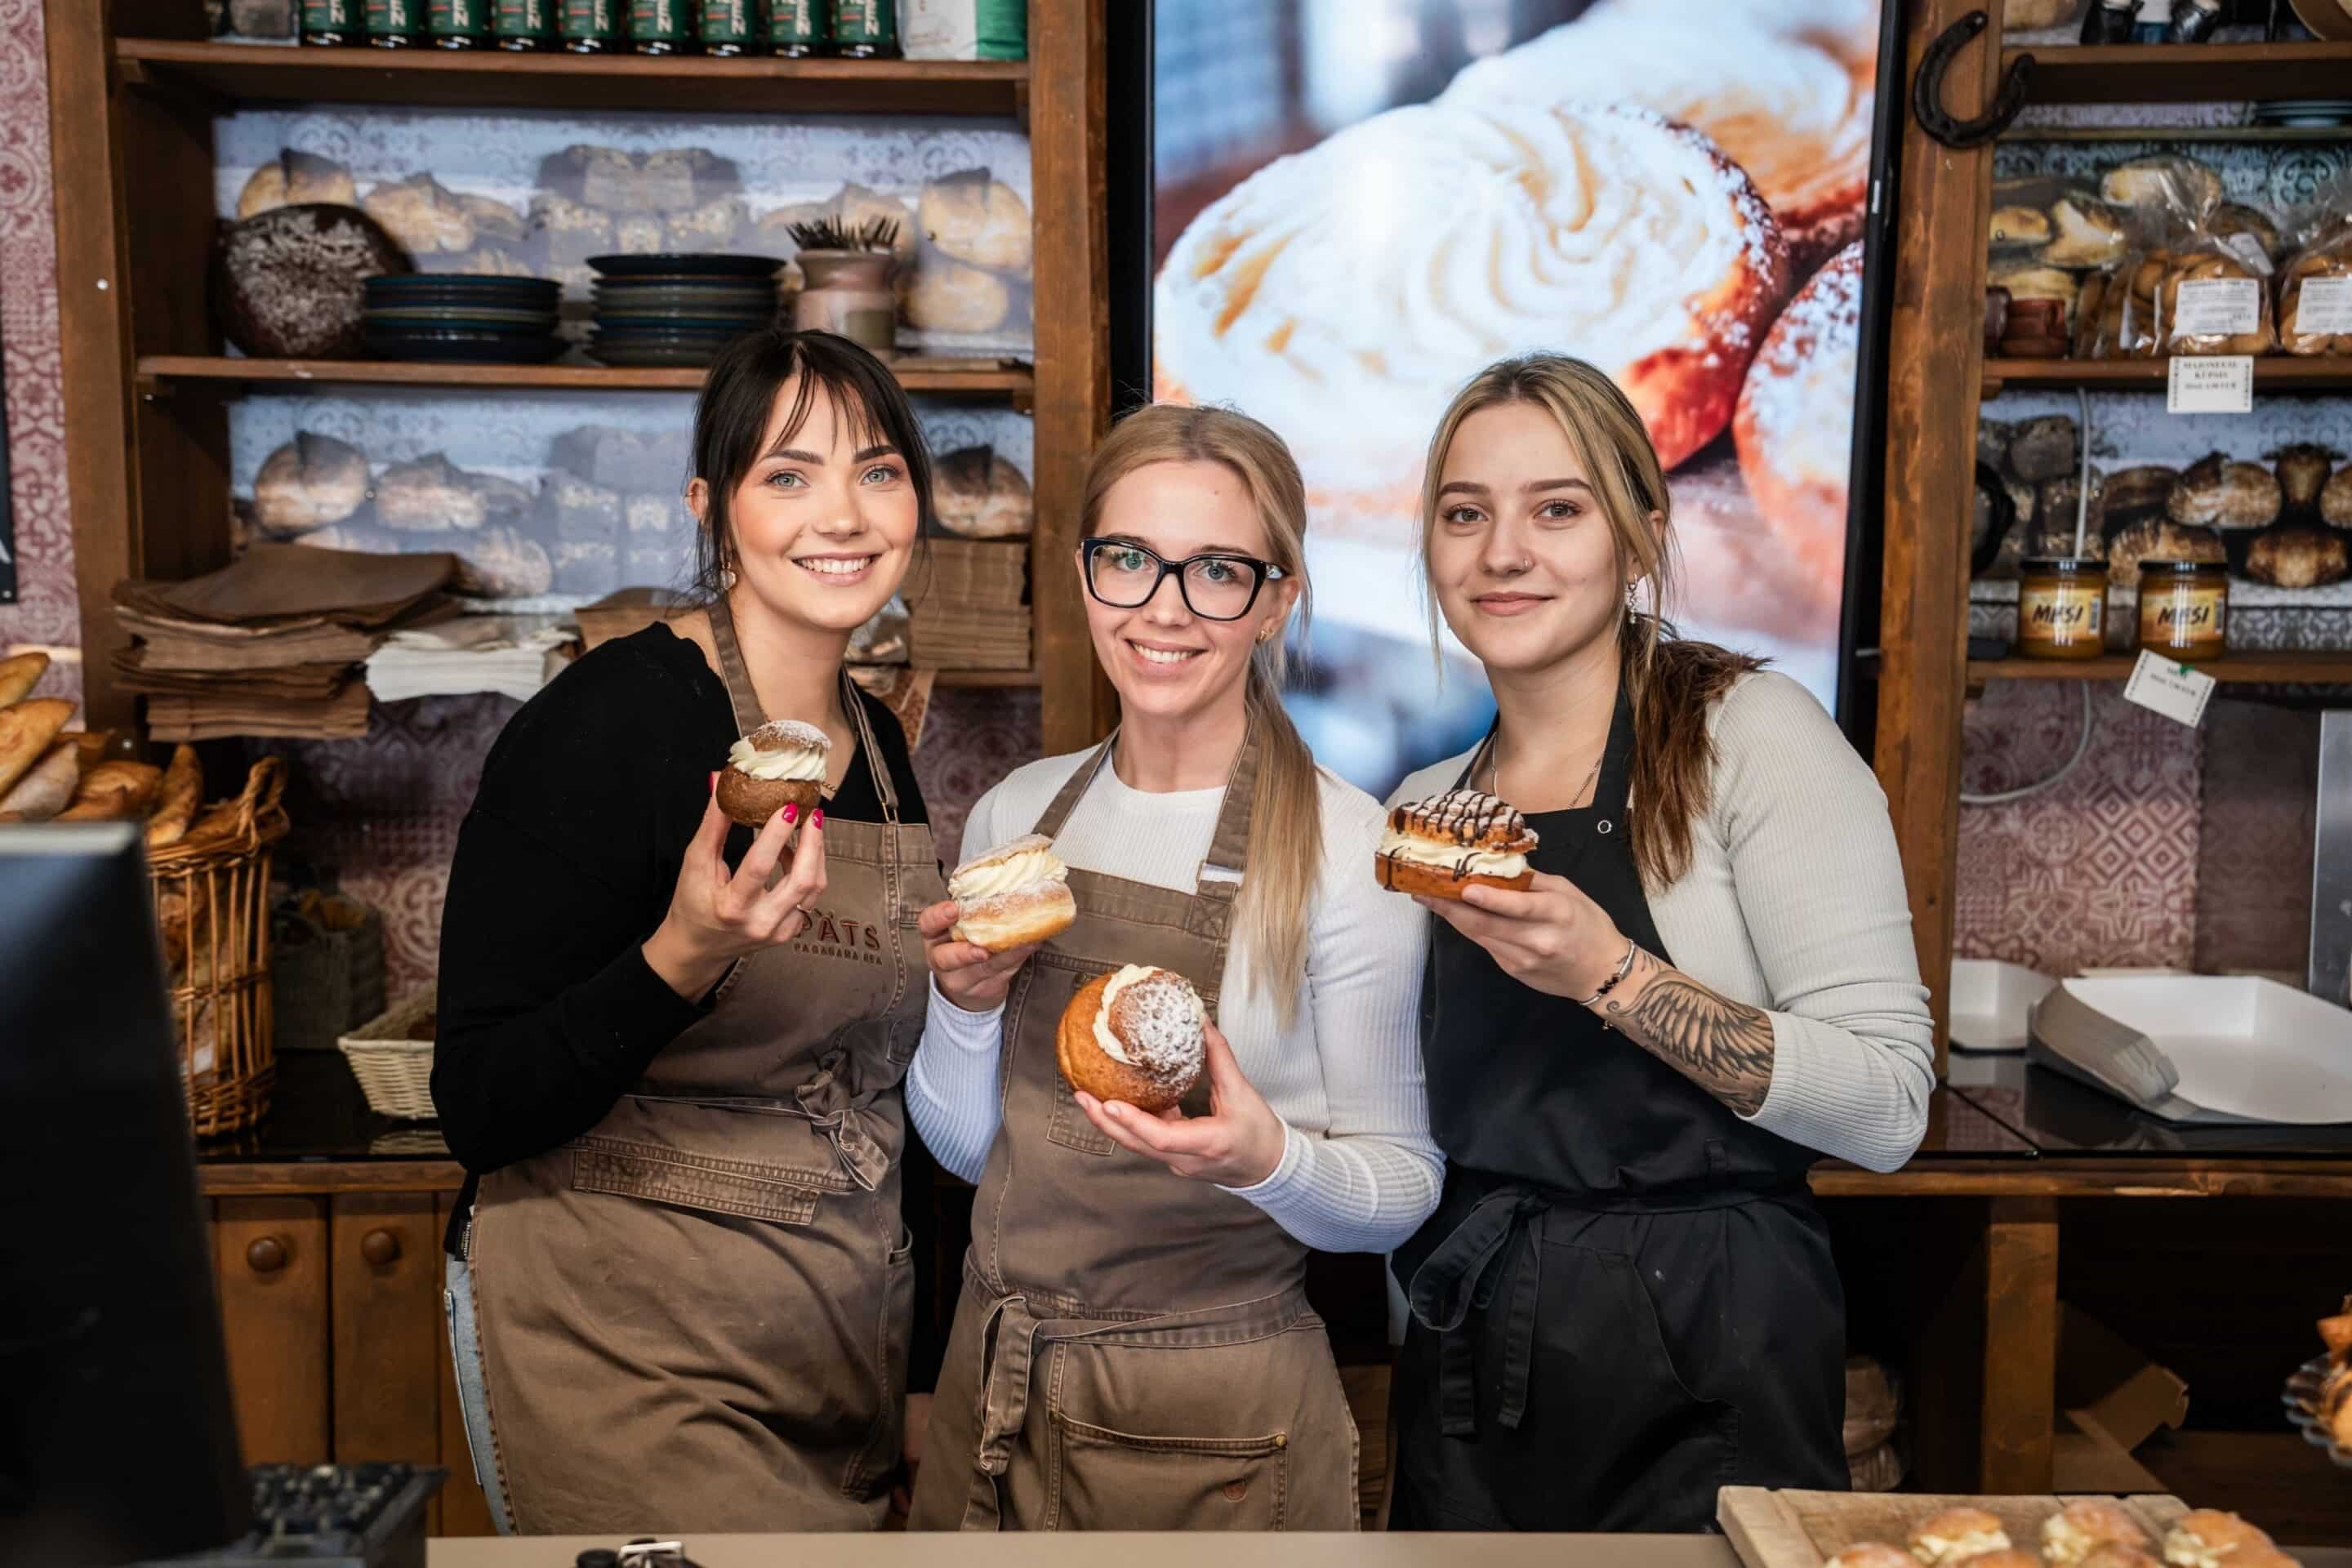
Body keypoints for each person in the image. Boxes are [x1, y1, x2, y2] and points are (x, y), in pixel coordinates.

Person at [1385, 354, 1934, 1532]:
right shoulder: (1429, 807)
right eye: (1465, 513)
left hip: (1710, 1347)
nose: (1502, 553)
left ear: (1640, 537)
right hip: (1474, 1343)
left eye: (1558, 509)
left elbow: (1890, 1110)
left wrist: (1611, 974)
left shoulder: (1752, 738)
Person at [431, 328, 945, 1535]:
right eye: (788, 474)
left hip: (837, 1347)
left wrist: (922, 1376)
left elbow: (883, 1090)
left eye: (877, 470)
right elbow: (481, 1103)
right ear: (712, 511)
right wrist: (687, 952)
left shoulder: (878, 746)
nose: (843, 515)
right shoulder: (610, 722)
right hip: (627, 1347)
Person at [903, 403, 1442, 1530]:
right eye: (1130, 559)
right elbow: (970, 1153)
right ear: (1085, 572)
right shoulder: (1018, 816)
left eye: (1217, 571)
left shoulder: (1347, 852)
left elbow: (1401, 1192)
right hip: (996, 1389)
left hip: (1216, 1431)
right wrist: (963, 1010)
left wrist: (1265, 1160)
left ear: (1279, 599)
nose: (1164, 607)